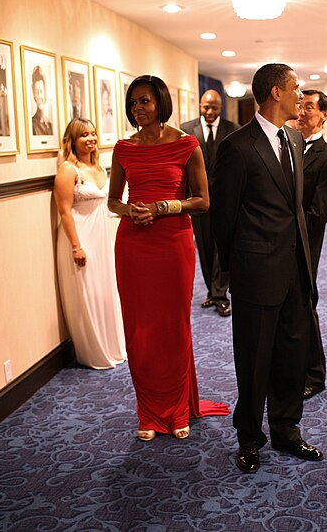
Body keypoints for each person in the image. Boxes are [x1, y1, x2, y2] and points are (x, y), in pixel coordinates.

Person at [212, 63, 324, 474]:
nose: (302, 96)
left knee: (292, 355)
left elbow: (294, 209)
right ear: (276, 93)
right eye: (296, 89)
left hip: (296, 268)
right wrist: (238, 268)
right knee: (254, 358)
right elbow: (223, 219)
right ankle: (249, 437)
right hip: (255, 271)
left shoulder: (294, 138)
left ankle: (286, 429)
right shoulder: (237, 146)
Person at [108, 75, 229, 442]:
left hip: (173, 241)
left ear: (160, 102)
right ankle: (148, 411)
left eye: (144, 101)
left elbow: (203, 201)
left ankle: (176, 409)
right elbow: (113, 200)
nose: (138, 109)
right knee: (140, 330)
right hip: (133, 244)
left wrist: (162, 207)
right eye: (133, 103)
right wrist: (131, 212)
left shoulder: (186, 144)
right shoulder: (123, 148)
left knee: (173, 326)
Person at [54, 117, 126, 370]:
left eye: (93, 134)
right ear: (72, 140)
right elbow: (64, 212)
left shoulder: (98, 167)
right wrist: (76, 245)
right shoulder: (67, 170)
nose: (91, 139)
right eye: (84, 135)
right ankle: (94, 351)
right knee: (87, 293)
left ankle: (112, 344)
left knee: (106, 290)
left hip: (101, 235)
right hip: (81, 237)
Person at [295, 89, 327, 399]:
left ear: (325, 114)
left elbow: (320, 212)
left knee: (304, 305)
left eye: (309, 107)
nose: (302, 111)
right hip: (279, 243)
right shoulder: (288, 146)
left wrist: (288, 231)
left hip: (305, 243)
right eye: (300, 105)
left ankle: (315, 374)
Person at [181, 89, 239, 317]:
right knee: (204, 248)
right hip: (197, 200)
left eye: (214, 107)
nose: (210, 112)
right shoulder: (186, 130)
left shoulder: (232, 129)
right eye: (206, 107)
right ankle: (211, 291)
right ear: (200, 106)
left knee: (222, 247)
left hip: (225, 200)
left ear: (220, 107)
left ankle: (220, 294)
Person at [30, 65, 52, 136]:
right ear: (33, 94)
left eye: (41, 91)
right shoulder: (32, 124)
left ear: (45, 92)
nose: (40, 96)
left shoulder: (50, 124)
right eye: (37, 92)